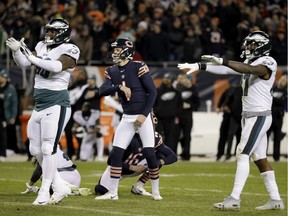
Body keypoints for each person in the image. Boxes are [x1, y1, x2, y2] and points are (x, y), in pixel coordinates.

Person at [178, 30, 284, 210]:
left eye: (252, 44)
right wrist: (200, 66)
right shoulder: (250, 61)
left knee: (242, 153)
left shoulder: (268, 62)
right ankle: (276, 200)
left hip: (259, 116)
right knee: (260, 159)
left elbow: (252, 70)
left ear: (261, 46)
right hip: (250, 116)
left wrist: (224, 60)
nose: (248, 47)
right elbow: (227, 69)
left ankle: (234, 198)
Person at [6, 17, 80, 205]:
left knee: (48, 148)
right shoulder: (40, 45)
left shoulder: (70, 49)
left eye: (53, 31)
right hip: (40, 105)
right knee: (34, 149)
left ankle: (45, 191)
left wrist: (30, 56)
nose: (49, 34)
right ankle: (60, 185)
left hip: (57, 104)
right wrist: (16, 53)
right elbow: (24, 63)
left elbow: (56, 66)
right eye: (48, 31)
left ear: (62, 33)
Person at [96, 38, 161, 200]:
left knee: (150, 153)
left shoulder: (138, 66)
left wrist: (144, 115)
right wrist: (118, 87)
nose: (115, 52)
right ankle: (113, 193)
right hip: (127, 117)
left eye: (118, 49)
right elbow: (102, 90)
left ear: (127, 51)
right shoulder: (111, 70)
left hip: (143, 116)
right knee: (116, 153)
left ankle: (155, 191)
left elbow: (152, 92)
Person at [95, 114, 177, 196]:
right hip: (119, 169)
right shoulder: (127, 136)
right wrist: (132, 167)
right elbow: (110, 161)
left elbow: (172, 156)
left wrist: (159, 163)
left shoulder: (155, 138)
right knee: (101, 190)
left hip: (139, 167)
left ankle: (139, 185)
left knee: (158, 157)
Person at [154, 73, 182, 154]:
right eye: (165, 78)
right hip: (159, 118)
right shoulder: (157, 91)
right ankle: (157, 154)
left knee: (171, 138)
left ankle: (170, 155)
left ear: (172, 80)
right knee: (157, 137)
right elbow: (153, 103)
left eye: (168, 78)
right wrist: (157, 111)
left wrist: (175, 113)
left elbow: (180, 106)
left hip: (171, 119)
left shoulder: (177, 93)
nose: (166, 79)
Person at [175, 73, 200, 160]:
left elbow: (197, 104)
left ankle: (186, 154)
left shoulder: (194, 89)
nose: (184, 80)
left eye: (186, 79)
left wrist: (190, 105)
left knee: (187, 136)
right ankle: (180, 152)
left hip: (187, 116)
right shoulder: (179, 88)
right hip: (178, 115)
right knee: (178, 135)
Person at [267, 74, 287, 162]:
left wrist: (272, 99)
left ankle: (276, 157)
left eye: (284, 80)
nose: (282, 81)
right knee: (266, 136)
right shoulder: (273, 89)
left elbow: (281, 101)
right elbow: (268, 99)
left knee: (277, 137)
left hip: (278, 117)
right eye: (281, 79)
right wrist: (273, 99)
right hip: (269, 115)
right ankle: (263, 155)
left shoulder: (285, 91)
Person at [0, 69, 18, 156]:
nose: (2, 79)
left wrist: (13, 117)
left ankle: (7, 151)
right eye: (1, 77)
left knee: (6, 134)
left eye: (4, 77)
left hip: (6, 115)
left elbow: (14, 104)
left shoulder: (11, 89)